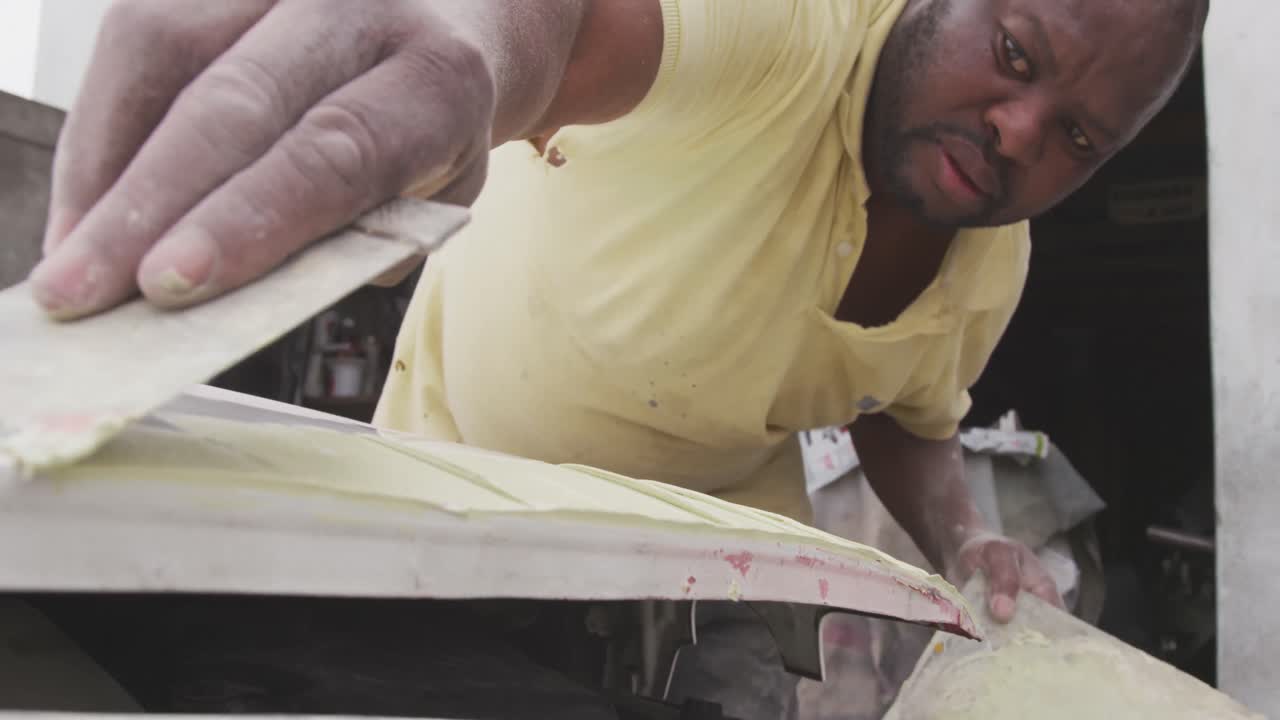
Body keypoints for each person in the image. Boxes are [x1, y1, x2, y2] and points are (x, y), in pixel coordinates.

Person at [28, 1, 1208, 717]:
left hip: (704, 589)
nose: (1017, 129)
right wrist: (466, 46)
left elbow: (904, 407)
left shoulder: (987, 264)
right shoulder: (787, 35)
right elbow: (563, 21)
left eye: (1077, 135)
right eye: (1012, 51)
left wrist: (962, 537)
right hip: (447, 520)